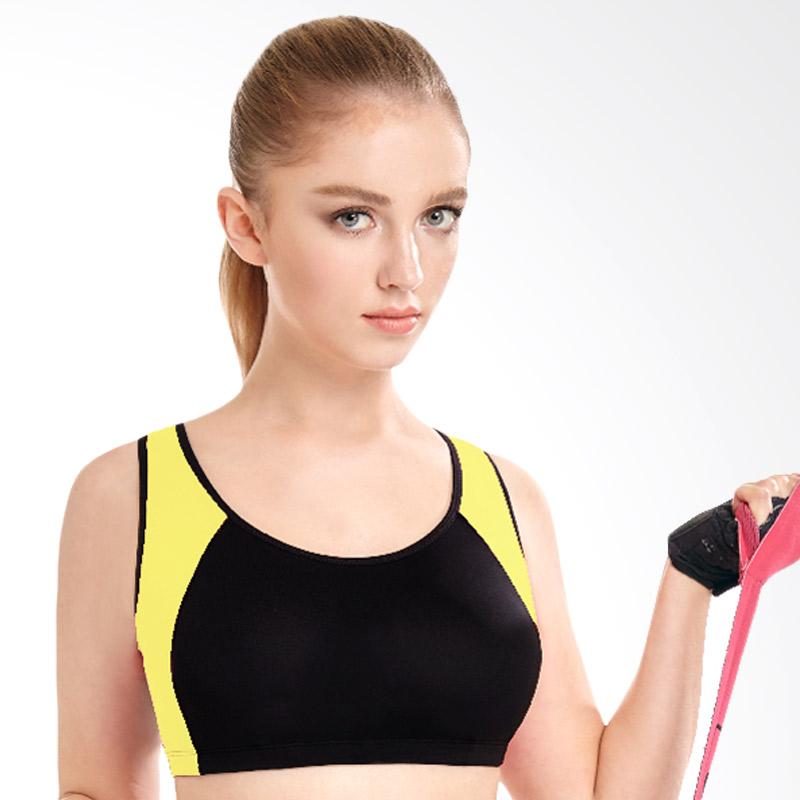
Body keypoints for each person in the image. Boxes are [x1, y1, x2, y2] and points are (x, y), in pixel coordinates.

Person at [56, 15, 799, 800]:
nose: (406, 270)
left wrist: (694, 571)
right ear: (247, 226)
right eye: (353, 217)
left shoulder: (504, 502)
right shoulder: (131, 497)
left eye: (438, 216)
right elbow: (96, 790)